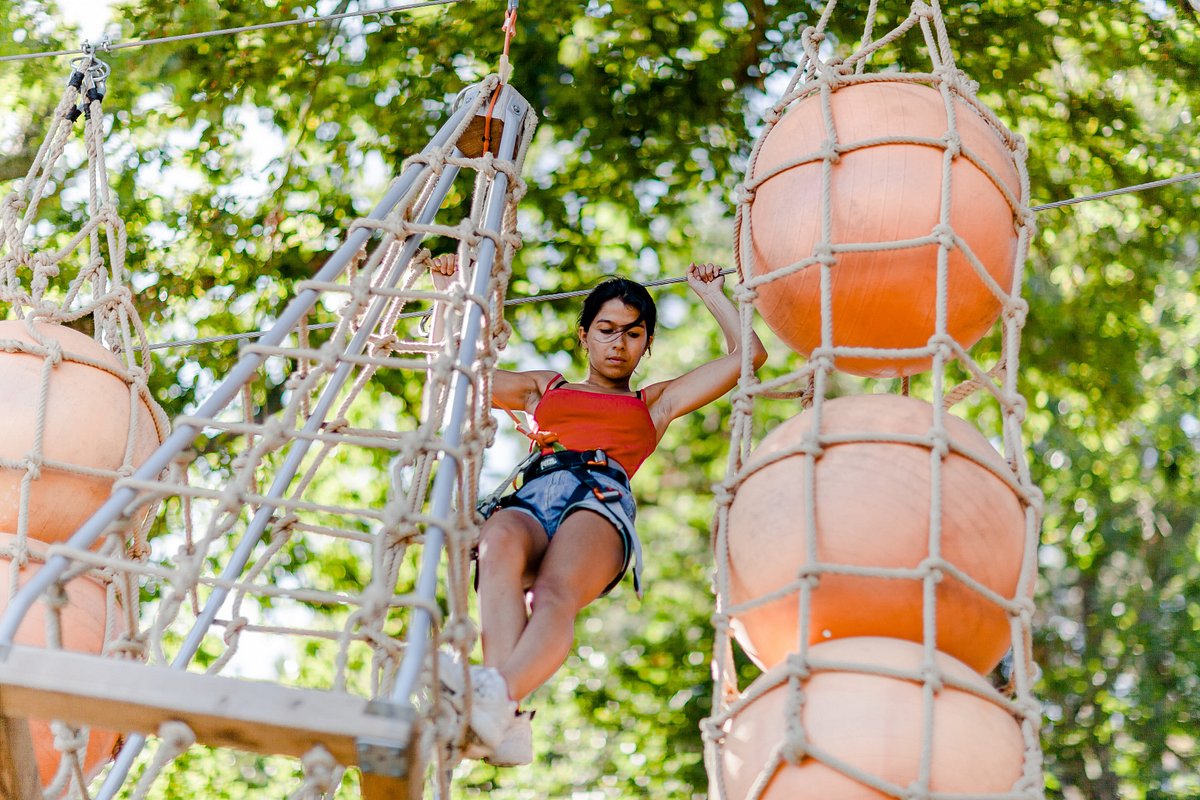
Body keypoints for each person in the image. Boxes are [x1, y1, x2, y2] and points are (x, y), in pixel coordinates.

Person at [428, 254, 767, 766]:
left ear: (647, 344)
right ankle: (504, 713)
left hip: (600, 497)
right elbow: (458, 373)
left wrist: (711, 296)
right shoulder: (547, 387)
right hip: (535, 493)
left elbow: (750, 356)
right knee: (496, 545)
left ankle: (495, 701)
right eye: (607, 329)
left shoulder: (656, 403)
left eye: (634, 333)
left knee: (553, 591)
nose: (619, 343)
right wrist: (449, 292)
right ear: (583, 334)